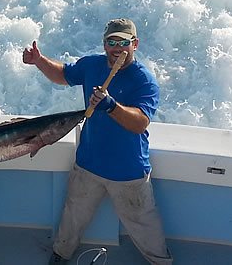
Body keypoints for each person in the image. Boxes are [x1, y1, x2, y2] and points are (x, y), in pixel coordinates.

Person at [23, 18, 173, 265]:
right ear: (104, 44)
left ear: (135, 44)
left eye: (123, 42)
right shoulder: (92, 65)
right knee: (72, 218)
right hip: (88, 164)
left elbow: (140, 123)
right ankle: (61, 255)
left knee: (146, 228)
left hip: (129, 172)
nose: (117, 48)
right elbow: (63, 74)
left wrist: (111, 106)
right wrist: (39, 61)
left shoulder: (144, 81)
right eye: (111, 42)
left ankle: (161, 262)